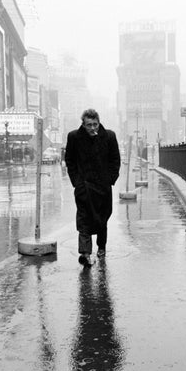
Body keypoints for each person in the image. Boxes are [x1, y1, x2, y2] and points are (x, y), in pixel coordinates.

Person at [65, 109, 121, 267]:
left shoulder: (109, 136)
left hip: (103, 187)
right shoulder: (74, 137)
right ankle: (85, 253)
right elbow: (69, 160)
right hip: (84, 187)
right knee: (84, 220)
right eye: (89, 125)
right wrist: (76, 181)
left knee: (102, 218)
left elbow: (115, 159)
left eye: (95, 124)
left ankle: (101, 247)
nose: (92, 128)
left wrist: (110, 179)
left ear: (99, 122)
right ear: (83, 124)